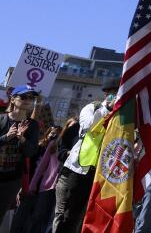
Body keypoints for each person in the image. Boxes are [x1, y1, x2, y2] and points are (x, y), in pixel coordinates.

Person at [55, 79, 116, 233]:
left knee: (83, 216)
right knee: (67, 214)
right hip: (79, 169)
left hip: (100, 173)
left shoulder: (120, 116)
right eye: (114, 93)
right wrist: (107, 111)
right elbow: (89, 127)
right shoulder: (92, 108)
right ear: (107, 93)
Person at [1, 87, 42, 227]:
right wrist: (6, 137)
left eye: (31, 98)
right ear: (13, 99)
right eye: (23, 97)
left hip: (11, 181)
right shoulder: (1, 118)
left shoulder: (33, 125)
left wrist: (22, 139)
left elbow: (31, 152)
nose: (28, 100)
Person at [12, 119, 62, 233]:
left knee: (36, 217)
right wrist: (22, 186)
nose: (53, 136)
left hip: (44, 190)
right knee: (21, 214)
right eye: (51, 133)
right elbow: (28, 167)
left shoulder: (56, 153)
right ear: (47, 133)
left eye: (56, 135)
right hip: (29, 185)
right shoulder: (38, 148)